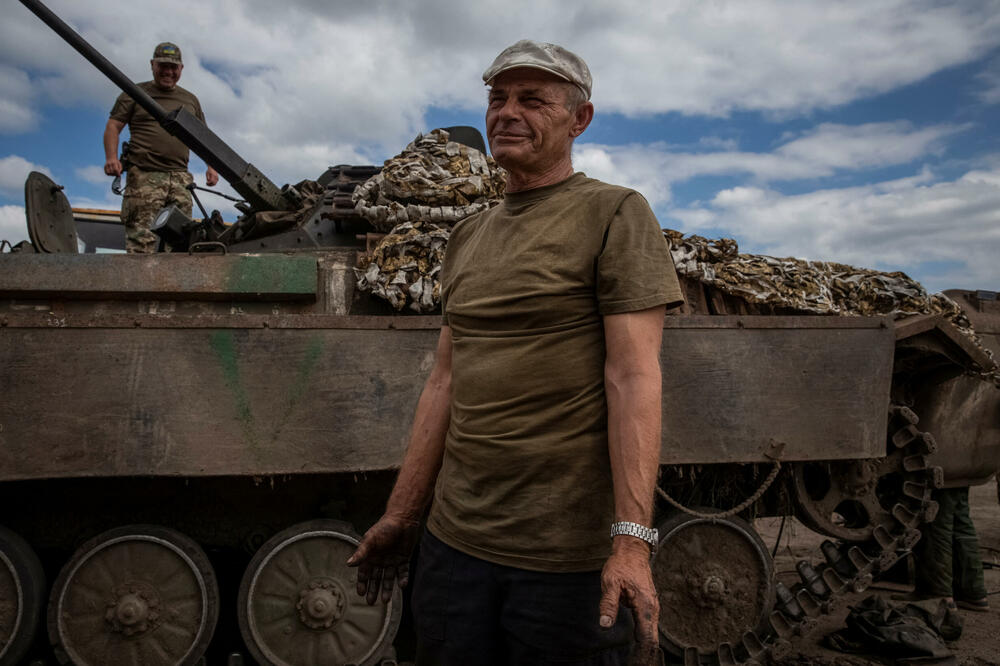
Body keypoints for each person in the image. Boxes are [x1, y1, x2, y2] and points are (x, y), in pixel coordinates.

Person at [348, 40, 684, 665]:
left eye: (533, 100)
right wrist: (402, 514)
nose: (507, 113)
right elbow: (445, 381)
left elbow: (634, 377)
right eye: (498, 99)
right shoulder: (467, 236)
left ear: (579, 119)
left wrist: (632, 544)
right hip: (453, 550)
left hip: (563, 564)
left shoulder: (615, 213)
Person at [103, 42, 218, 253]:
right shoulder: (134, 93)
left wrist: (211, 166)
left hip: (180, 179)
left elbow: (203, 137)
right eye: (163, 66)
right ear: (152, 65)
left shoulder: (190, 100)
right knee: (141, 242)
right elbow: (113, 126)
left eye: (173, 67)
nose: (168, 72)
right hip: (145, 175)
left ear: (181, 69)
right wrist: (111, 158)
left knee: (181, 243)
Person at [913, 486, 990, 612]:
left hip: (942, 476)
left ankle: (938, 595)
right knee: (960, 520)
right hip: (965, 475)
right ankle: (972, 593)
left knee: (935, 522)